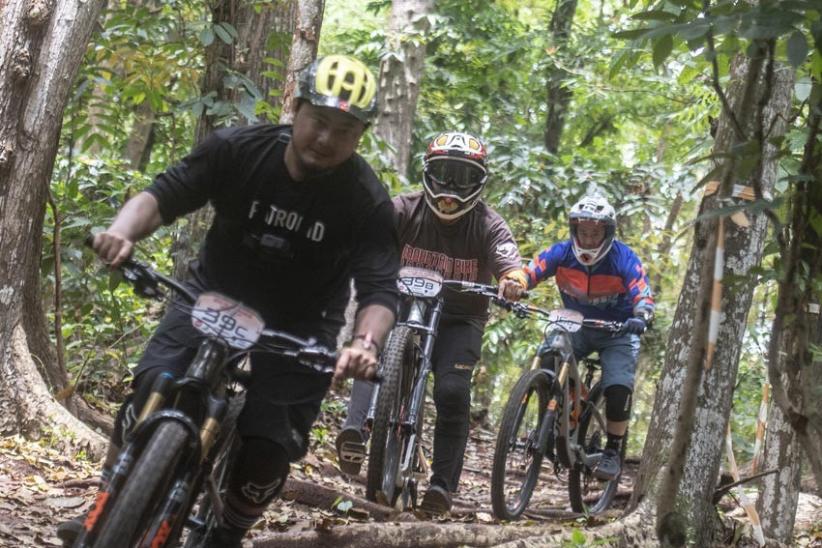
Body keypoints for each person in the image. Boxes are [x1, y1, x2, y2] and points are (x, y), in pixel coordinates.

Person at [57, 54, 399, 548]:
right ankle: (112, 495)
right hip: (211, 294)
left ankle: (230, 531)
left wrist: (365, 341)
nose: (325, 139)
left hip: (301, 325)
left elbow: (379, 288)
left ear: (358, 137)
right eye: (318, 122)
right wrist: (120, 233)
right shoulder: (238, 149)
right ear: (296, 108)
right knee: (152, 385)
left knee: (267, 447)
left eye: (343, 131)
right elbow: (162, 196)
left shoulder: (366, 201)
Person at [334, 131, 527, 514]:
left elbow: (510, 263)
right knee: (371, 338)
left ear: (479, 183)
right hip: (402, 305)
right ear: (428, 174)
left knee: (453, 392)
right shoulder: (405, 208)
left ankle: (441, 486)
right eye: (443, 175)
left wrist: (513, 281)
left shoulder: (488, 224)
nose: (451, 188)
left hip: (460, 318)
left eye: (463, 178)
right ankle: (355, 430)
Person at [504, 195, 654, 481]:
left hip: (617, 332)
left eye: (595, 232)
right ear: (574, 230)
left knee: (618, 385)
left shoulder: (623, 257)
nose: (587, 238)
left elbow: (641, 289)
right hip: (574, 327)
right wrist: (515, 286)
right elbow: (530, 271)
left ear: (607, 233)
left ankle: (612, 449)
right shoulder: (560, 253)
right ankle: (552, 422)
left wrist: (642, 314)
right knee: (548, 358)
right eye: (583, 232)